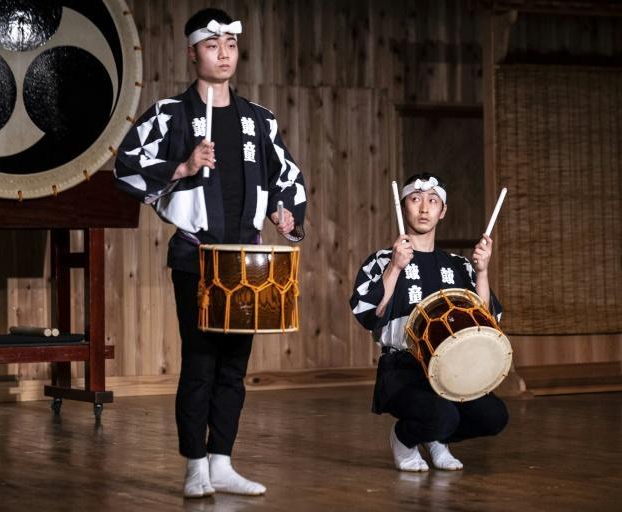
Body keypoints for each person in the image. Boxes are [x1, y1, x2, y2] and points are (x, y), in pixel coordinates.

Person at [114, 8, 306, 498]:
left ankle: (222, 460)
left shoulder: (259, 121)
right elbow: (126, 167)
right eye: (212, 45)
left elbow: (286, 177)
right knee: (200, 361)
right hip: (196, 255)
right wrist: (182, 166)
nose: (223, 54)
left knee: (234, 367)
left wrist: (284, 213)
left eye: (231, 46)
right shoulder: (170, 114)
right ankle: (194, 465)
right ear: (192, 52)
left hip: (247, 259)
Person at [350, 173, 507, 472]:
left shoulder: (459, 265)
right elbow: (370, 315)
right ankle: (404, 439)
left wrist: (483, 272)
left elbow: (488, 324)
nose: (424, 209)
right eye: (416, 199)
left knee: (494, 416)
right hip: (402, 370)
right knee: (442, 414)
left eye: (433, 201)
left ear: (442, 211)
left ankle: (435, 437)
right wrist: (396, 268)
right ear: (403, 205)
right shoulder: (382, 261)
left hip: (452, 368)